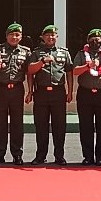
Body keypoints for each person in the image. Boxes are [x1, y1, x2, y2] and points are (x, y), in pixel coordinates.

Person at [0, 23, 31, 165]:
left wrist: (30, 90)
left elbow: (29, 73)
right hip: (1, 89)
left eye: (17, 35)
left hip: (17, 89)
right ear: (6, 36)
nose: (14, 37)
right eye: (11, 34)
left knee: (17, 123)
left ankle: (17, 154)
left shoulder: (26, 52)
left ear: (21, 37)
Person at [28, 25, 73, 165]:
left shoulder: (64, 52)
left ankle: (59, 156)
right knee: (41, 125)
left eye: (53, 35)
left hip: (58, 92)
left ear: (57, 37)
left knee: (59, 126)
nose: (50, 37)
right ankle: (40, 155)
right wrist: (42, 62)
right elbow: (30, 71)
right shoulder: (36, 53)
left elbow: (69, 72)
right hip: (41, 92)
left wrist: (70, 91)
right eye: (47, 35)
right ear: (42, 37)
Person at [72, 28, 101, 165]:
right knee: (85, 126)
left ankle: (100, 156)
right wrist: (87, 66)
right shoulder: (81, 54)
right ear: (88, 41)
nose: (95, 41)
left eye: (98, 39)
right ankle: (88, 156)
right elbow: (75, 71)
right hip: (85, 94)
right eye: (92, 39)